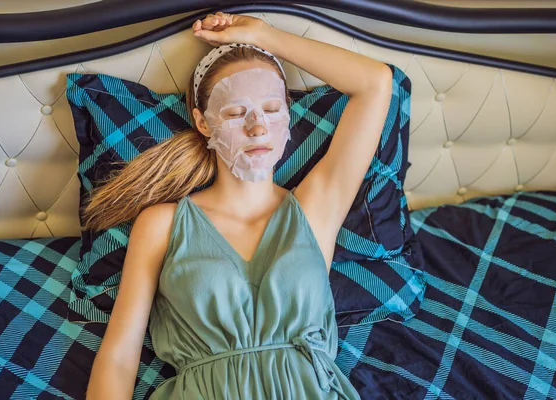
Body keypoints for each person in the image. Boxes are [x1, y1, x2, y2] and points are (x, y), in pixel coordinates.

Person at [84, 11, 392, 400]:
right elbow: (119, 356)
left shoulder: (316, 208)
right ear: (203, 122)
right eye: (234, 112)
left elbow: (376, 83)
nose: (257, 127)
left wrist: (267, 36)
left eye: (271, 108)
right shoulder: (162, 223)